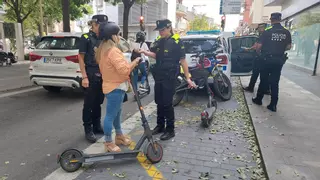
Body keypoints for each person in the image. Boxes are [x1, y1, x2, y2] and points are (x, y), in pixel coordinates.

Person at [139, 19, 196, 140]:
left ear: (169, 28)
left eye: (163, 30)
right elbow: (156, 55)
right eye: (159, 30)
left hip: (169, 77)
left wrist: (188, 78)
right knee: (158, 101)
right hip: (159, 75)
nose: (160, 32)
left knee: (167, 103)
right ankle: (160, 126)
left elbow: (183, 61)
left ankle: (170, 130)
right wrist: (145, 52)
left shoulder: (176, 41)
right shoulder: (159, 41)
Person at [96, 22, 141, 152]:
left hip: (111, 86)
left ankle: (119, 136)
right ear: (112, 36)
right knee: (110, 115)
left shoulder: (102, 50)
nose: (118, 37)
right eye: (117, 34)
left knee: (117, 113)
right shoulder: (113, 51)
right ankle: (108, 141)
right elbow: (124, 70)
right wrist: (135, 61)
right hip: (115, 87)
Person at [252, 12, 292, 112]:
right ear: (280, 19)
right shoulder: (286, 32)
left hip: (266, 59)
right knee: (275, 82)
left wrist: (258, 52)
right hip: (278, 60)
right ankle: (273, 105)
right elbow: (288, 47)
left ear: (271, 19)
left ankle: (258, 99)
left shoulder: (267, 31)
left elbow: (259, 46)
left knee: (264, 80)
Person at [78, 15, 108, 143]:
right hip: (90, 73)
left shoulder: (103, 38)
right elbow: (80, 57)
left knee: (98, 102)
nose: (103, 27)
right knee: (89, 104)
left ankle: (96, 125)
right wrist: (84, 76)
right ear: (94, 24)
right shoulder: (85, 38)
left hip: (101, 73)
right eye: (101, 25)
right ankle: (88, 129)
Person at [243, 23, 270, 94]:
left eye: (260, 28)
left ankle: (251, 88)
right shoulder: (267, 35)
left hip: (260, 58)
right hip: (267, 58)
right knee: (264, 75)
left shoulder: (263, 35)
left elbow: (257, 46)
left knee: (256, 74)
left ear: (263, 28)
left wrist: (250, 50)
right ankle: (266, 89)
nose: (259, 30)